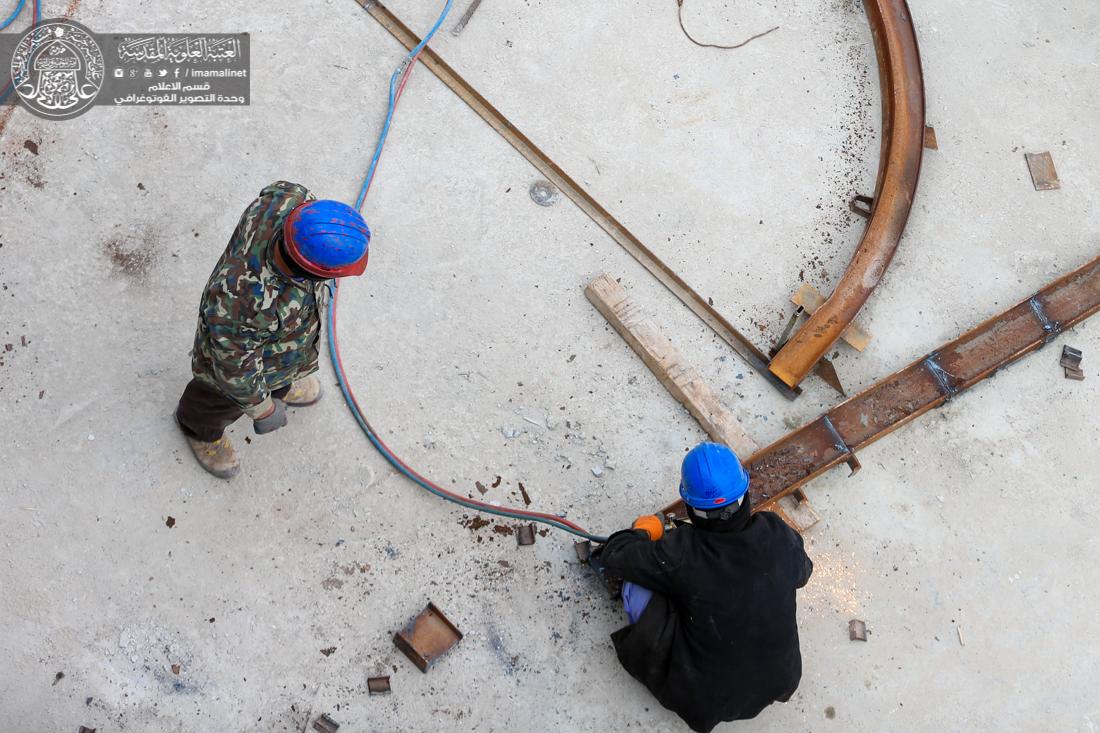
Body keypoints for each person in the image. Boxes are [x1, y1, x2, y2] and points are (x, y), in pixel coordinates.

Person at [594, 442, 814, 732]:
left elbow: (614, 556)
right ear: (744, 493)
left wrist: (644, 531)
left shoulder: (682, 553)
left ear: (691, 507)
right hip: (782, 680)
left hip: (704, 700)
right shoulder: (776, 532)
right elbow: (803, 573)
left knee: (637, 586)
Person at [175, 181, 370, 478]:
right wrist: (262, 409)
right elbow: (234, 368)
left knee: (282, 371)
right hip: (230, 368)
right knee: (215, 401)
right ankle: (199, 430)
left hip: (280, 353)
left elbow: (273, 189)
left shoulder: (291, 201)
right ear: (312, 273)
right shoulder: (244, 303)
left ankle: (283, 384)